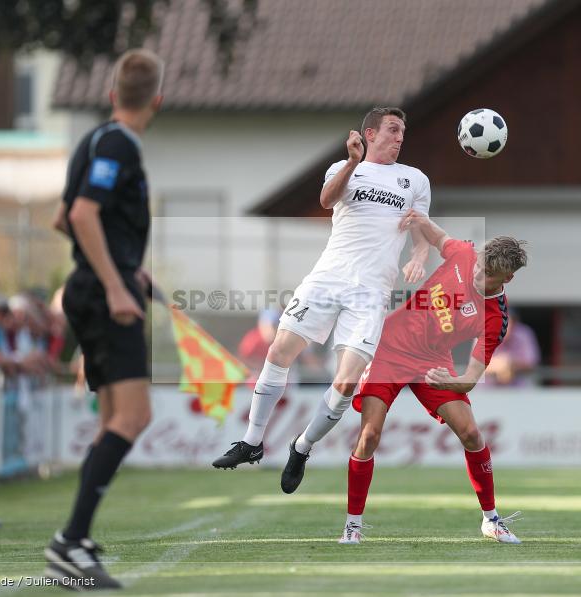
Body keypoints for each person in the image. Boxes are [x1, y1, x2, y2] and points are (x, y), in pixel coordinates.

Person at [213, 107, 431, 495]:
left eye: (403, 131)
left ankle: (302, 446)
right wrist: (352, 161)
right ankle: (251, 442)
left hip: (371, 292)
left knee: (346, 383)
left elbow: (420, 226)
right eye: (393, 130)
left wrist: (418, 255)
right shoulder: (344, 167)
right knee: (279, 350)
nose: (400, 137)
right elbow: (327, 200)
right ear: (370, 133)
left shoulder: (414, 179)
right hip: (328, 277)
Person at [45, 48, 164, 590]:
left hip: (94, 287)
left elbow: (61, 217)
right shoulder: (119, 143)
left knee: (114, 417)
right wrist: (117, 282)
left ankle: (76, 540)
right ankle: (70, 542)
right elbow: (80, 214)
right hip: (101, 295)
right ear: (157, 101)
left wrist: (125, 268)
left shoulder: (93, 140)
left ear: (113, 93)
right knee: (133, 417)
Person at [340, 210, 527, 545]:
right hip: (390, 349)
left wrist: (448, 382)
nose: (477, 276)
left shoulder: (494, 319)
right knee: (369, 435)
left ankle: (491, 520)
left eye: (487, 275)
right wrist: (417, 218)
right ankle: (353, 525)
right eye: (480, 267)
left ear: (507, 279)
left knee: (471, 433)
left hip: (432, 364)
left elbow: (471, 377)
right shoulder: (465, 253)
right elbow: (435, 233)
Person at [484, 310, 540, 387]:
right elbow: (475, 366)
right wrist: (497, 365)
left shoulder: (524, 333)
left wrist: (511, 364)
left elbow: (532, 364)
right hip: (488, 391)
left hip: (519, 390)